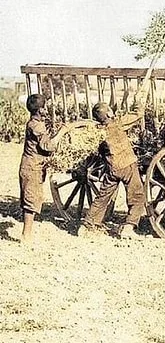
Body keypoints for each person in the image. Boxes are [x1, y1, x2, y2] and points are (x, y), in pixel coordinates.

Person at [78, 103, 145, 238]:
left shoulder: (99, 131)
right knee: (137, 195)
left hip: (112, 169)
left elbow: (101, 152)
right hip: (127, 166)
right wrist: (139, 103)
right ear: (109, 114)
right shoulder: (118, 124)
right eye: (110, 109)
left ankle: (87, 225)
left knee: (103, 196)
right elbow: (137, 115)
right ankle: (129, 226)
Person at [19, 93, 72, 244]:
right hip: (32, 167)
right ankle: (26, 235)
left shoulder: (35, 123)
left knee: (33, 198)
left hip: (33, 166)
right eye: (45, 107)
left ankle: (27, 234)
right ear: (41, 110)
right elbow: (48, 147)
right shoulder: (36, 125)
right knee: (31, 200)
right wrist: (62, 131)